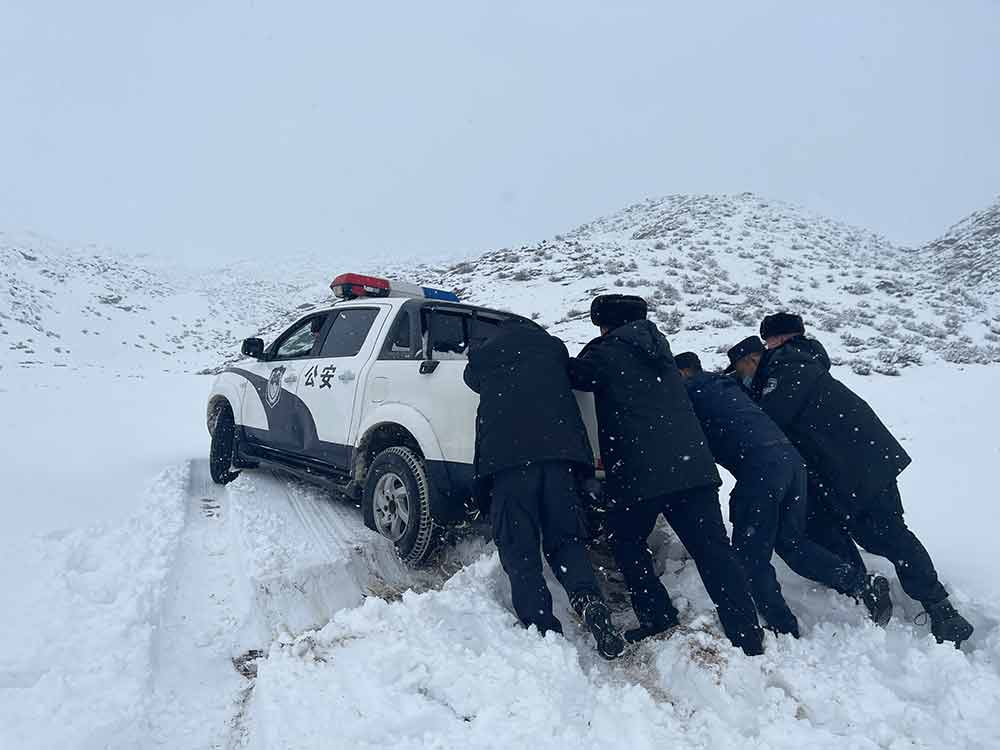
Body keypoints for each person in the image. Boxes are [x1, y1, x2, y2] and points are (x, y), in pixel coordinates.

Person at [748, 312, 974, 647]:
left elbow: (770, 418)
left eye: (768, 341)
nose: (766, 348)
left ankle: (941, 608)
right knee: (829, 528)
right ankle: (867, 587)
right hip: (851, 466)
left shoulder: (790, 365)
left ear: (779, 339)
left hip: (856, 467)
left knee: (887, 535)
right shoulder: (802, 363)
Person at [568, 295, 765, 656]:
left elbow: (576, 376)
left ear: (606, 324)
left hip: (641, 472)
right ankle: (747, 633)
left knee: (626, 542)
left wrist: (546, 352)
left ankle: (658, 617)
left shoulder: (607, 351)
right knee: (714, 551)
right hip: (694, 470)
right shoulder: (661, 351)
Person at [674, 351, 892, 636]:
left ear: (682, 374)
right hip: (791, 462)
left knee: (750, 555)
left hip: (759, 469)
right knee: (792, 543)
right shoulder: (724, 386)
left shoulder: (689, 394)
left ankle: (781, 625)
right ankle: (862, 584)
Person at [463, 317, 626, 659]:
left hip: (508, 465)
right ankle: (589, 601)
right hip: (559, 462)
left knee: (519, 548)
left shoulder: (488, 353)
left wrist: (477, 351)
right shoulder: (553, 348)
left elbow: (471, 378)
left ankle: (542, 629)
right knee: (565, 540)